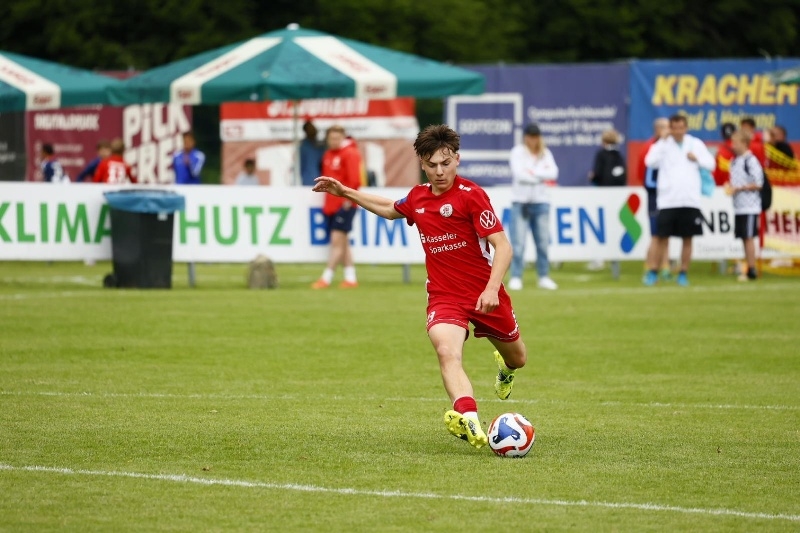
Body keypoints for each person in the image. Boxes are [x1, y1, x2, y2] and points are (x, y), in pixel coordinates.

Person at [312, 124, 527, 450]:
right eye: (432, 164)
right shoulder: (418, 197)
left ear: (457, 160)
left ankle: (506, 369)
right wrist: (346, 192)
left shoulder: (472, 196)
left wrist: (491, 288)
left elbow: (504, 247)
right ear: (422, 164)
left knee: (519, 357)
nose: (439, 171)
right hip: (444, 296)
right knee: (446, 351)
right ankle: (468, 416)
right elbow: (389, 209)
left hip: (484, 293)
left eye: (445, 163)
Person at [643, 114, 715, 287]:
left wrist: (697, 159)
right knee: (661, 237)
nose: (677, 131)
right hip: (667, 200)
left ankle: (683, 273)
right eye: (674, 128)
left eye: (681, 128)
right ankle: (653, 271)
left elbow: (711, 164)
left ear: (686, 128)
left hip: (689, 199)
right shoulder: (663, 144)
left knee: (687, 238)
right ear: (670, 128)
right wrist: (662, 141)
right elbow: (650, 162)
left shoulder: (695, 144)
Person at [506, 123, 559, 291]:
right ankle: (516, 276)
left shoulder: (545, 153)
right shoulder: (517, 152)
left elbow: (554, 173)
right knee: (518, 243)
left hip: (541, 202)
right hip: (520, 202)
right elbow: (519, 176)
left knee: (542, 243)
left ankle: (544, 276)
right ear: (526, 137)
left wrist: (532, 173)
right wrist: (541, 176)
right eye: (530, 136)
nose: (533, 140)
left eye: (536, 136)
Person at [311, 126, 363, 289]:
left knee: (336, 242)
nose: (334, 141)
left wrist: (348, 201)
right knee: (343, 243)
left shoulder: (350, 153)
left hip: (345, 204)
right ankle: (350, 278)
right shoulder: (327, 155)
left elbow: (355, 180)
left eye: (337, 138)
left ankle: (326, 278)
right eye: (331, 138)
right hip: (331, 205)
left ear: (342, 138)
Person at [725, 131, 763, 282]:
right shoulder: (735, 161)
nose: (733, 146)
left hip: (750, 206)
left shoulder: (751, 160)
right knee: (743, 237)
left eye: (736, 143)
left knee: (748, 237)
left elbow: (758, 183)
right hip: (739, 206)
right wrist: (730, 187)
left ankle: (752, 269)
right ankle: (748, 266)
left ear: (745, 144)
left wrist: (739, 188)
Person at [587, 128, 627, 271]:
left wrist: (592, 177)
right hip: (617, 197)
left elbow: (597, 174)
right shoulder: (619, 155)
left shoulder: (601, 154)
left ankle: (599, 259)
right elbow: (623, 177)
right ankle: (614, 258)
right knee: (614, 226)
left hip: (603, 195)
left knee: (601, 226)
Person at [640, 118, 672, 280]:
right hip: (656, 197)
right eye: (666, 128)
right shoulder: (651, 148)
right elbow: (646, 178)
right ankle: (650, 267)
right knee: (656, 235)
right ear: (658, 130)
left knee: (665, 235)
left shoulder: (670, 147)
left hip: (668, 198)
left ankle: (665, 266)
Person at [299, 120, 325, 187]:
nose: (313, 130)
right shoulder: (304, 146)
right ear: (306, 131)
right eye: (310, 129)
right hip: (309, 180)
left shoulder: (321, 146)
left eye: (313, 128)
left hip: (322, 179)